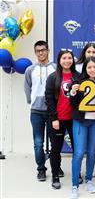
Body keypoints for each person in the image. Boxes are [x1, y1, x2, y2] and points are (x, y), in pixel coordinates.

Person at [69, 57, 95, 199]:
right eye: (89, 67)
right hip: (80, 121)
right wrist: (73, 92)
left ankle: (89, 181)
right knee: (79, 153)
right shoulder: (78, 82)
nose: (92, 70)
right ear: (85, 69)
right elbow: (73, 104)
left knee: (92, 152)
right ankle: (74, 185)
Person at [45, 49, 80, 189]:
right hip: (58, 119)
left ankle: (76, 173)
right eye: (64, 58)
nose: (67, 60)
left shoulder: (78, 76)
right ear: (59, 60)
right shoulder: (53, 77)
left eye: (69, 58)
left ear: (73, 60)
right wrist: (54, 118)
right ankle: (55, 175)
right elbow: (49, 99)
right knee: (56, 149)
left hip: (74, 119)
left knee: (77, 149)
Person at [24, 40, 56, 181]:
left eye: (43, 50)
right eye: (38, 51)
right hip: (36, 112)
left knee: (55, 142)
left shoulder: (55, 68)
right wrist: (32, 103)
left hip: (51, 112)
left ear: (48, 50)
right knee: (38, 143)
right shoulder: (30, 70)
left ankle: (57, 166)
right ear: (35, 52)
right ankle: (41, 169)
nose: (41, 53)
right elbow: (27, 88)